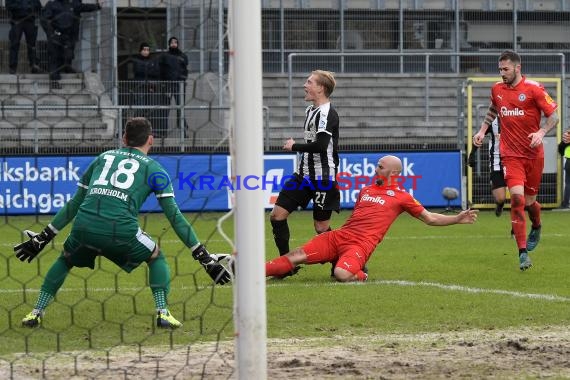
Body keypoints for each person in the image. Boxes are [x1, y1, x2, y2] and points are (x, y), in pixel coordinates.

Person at [13, 117, 231, 329]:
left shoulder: (103, 158)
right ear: (151, 140)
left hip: (84, 227)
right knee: (156, 256)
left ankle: (36, 312)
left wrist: (44, 236)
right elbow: (174, 218)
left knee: (66, 258)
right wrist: (203, 257)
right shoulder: (155, 169)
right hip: (120, 230)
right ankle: (163, 313)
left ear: (124, 138)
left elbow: (75, 203)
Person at [265, 155, 479, 282]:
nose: (376, 168)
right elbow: (357, 219)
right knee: (295, 256)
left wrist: (456, 218)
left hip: (360, 245)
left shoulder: (403, 197)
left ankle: (361, 274)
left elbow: (430, 218)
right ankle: (249, 273)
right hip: (339, 236)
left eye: (380, 166)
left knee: (341, 274)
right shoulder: (366, 190)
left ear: (393, 173)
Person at [473, 50, 559, 271]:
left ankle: (537, 225)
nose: (502, 73)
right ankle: (522, 253)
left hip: (533, 155)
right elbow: (494, 108)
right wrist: (482, 130)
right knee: (518, 200)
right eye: (500, 69)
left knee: (530, 203)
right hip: (510, 155)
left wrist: (541, 132)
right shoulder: (497, 89)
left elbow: (554, 116)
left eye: (506, 69)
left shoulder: (534, 88)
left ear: (517, 68)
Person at [269, 70, 340, 276]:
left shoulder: (327, 113)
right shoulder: (310, 110)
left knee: (321, 228)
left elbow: (320, 145)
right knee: (277, 216)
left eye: (309, 82)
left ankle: (344, 260)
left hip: (322, 178)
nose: (304, 85)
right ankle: (284, 267)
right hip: (303, 175)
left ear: (321, 88)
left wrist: (294, 146)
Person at [469, 118, 508, 217]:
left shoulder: (516, 116)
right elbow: (479, 136)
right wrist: (472, 154)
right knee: (500, 198)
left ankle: (516, 227)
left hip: (514, 161)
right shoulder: (492, 121)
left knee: (517, 197)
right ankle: (500, 204)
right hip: (496, 161)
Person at [132, 43, 168, 137]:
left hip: (151, 88)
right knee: (140, 108)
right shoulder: (136, 60)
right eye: (144, 49)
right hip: (140, 87)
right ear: (140, 51)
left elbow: (156, 72)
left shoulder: (153, 61)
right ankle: (136, 130)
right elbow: (138, 71)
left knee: (150, 110)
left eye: (147, 50)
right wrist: (149, 70)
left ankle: (147, 131)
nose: (146, 51)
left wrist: (147, 71)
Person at [41, 0, 75, 89]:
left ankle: (62, 70)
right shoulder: (51, 4)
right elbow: (44, 20)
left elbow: (83, 7)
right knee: (54, 58)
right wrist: (51, 33)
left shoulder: (70, 5)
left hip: (66, 36)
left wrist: (97, 6)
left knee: (68, 55)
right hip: (55, 36)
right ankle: (54, 81)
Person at [160, 36, 189, 134]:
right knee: (165, 109)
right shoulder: (165, 56)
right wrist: (163, 83)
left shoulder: (183, 56)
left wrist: (183, 80)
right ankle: (163, 132)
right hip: (167, 85)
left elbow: (185, 70)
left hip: (179, 85)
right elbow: (161, 70)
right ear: (169, 44)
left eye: (175, 42)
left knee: (180, 108)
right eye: (172, 42)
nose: (173, 44)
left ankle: (183, 132)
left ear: (178, 44)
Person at [7, 0, 42, 74]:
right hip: (17, 20)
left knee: (32, 45)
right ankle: (12, 67)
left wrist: (30, 7)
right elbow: (8, 5)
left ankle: (33, 65)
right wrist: (23, 7)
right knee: (14, 44)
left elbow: (38, 5)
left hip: (30, 20)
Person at [68, 0, 102, 73]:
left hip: (68, 31)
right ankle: (65, 68)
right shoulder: (72, 3)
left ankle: (65, 67)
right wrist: (97, 6)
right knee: (68, 50)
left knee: (68, 50)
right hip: (69, 31)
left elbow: (82, 6)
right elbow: (82, 7)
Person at [558, 129, 570, 208]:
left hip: (569, 162)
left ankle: (565, 203)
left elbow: (560, 150)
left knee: (568, 184)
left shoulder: (567, 138)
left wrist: (564, 142)